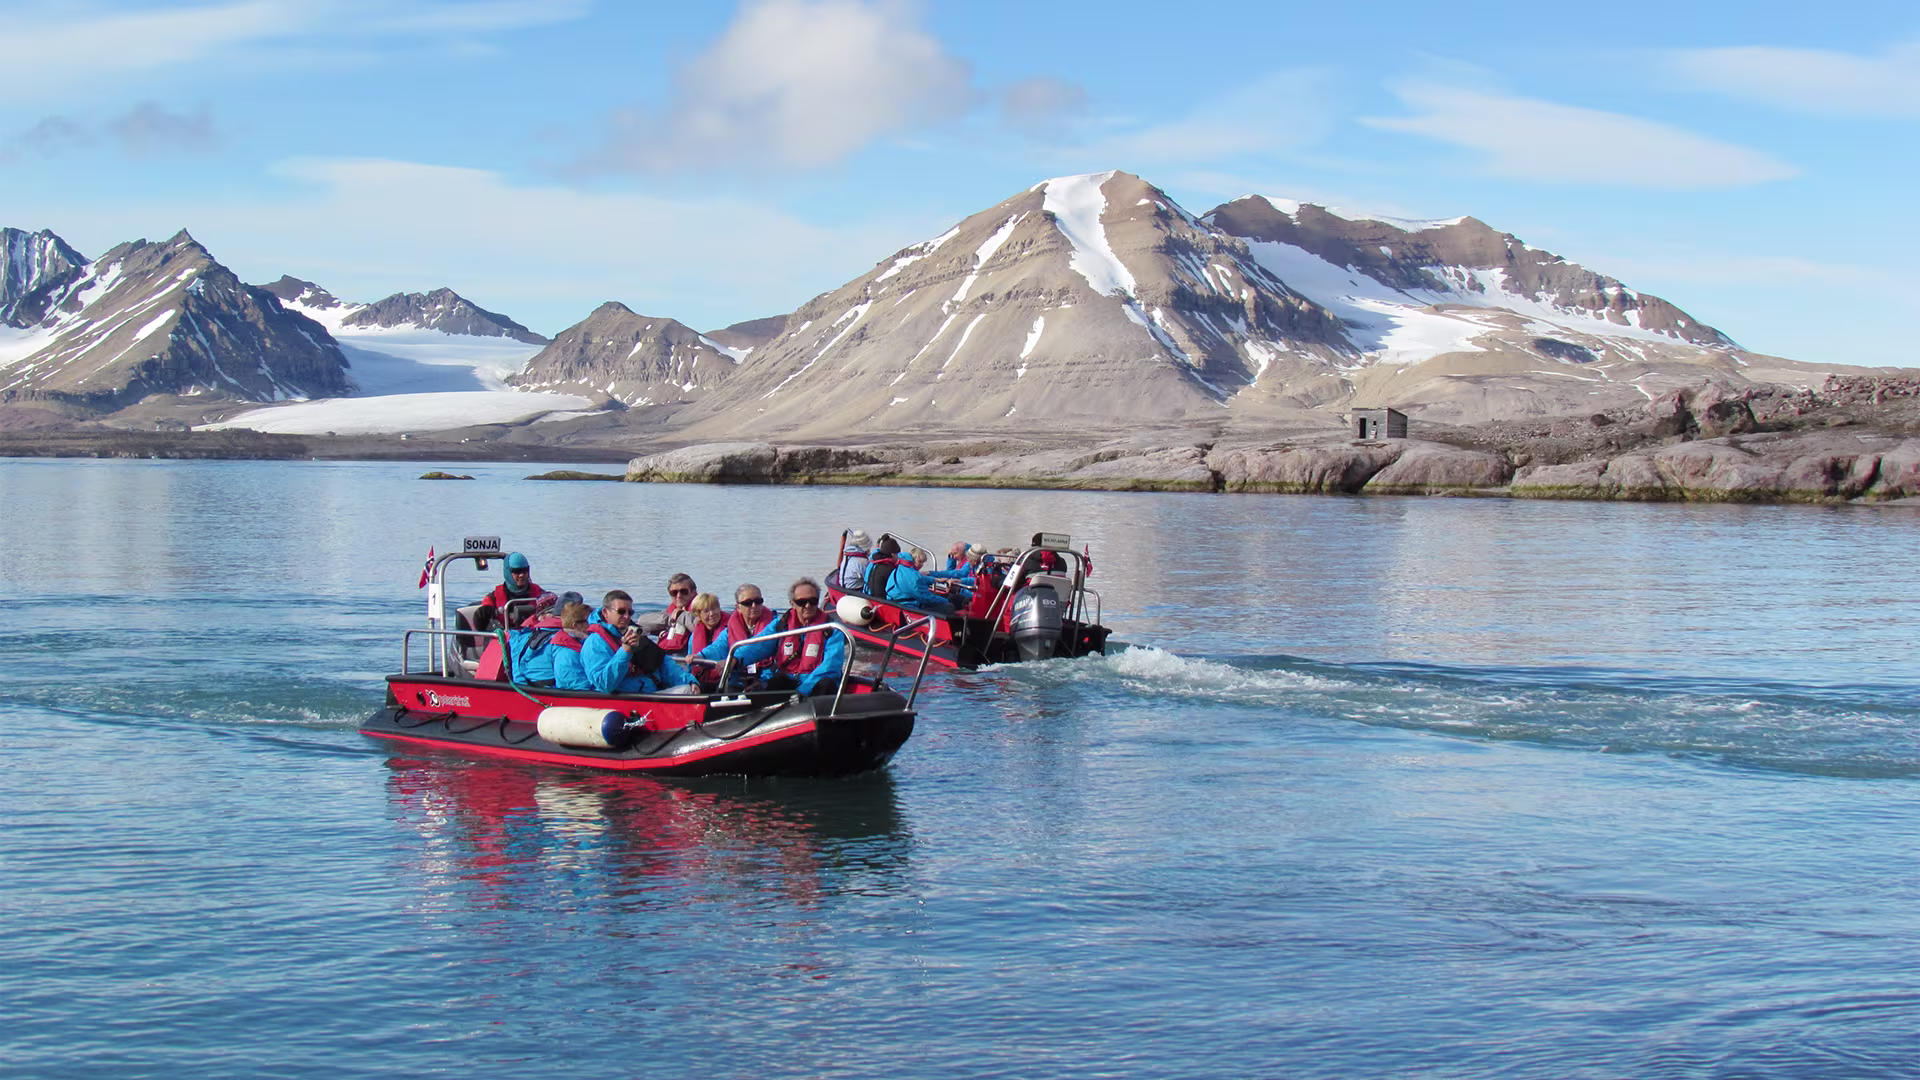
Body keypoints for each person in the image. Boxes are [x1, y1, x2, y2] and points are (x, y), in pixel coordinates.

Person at [576, 590, 698, 694]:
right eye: (621, 611)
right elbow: (605, 685)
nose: (627, 616)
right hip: (626, 701)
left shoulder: (633, 632)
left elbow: (662, 662)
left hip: (650, 692)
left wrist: (690, 681)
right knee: (685, 692)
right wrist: (625, 651)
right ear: (605, 612)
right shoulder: (595, 643)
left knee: (689, 689)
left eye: (630, 612)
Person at [689, 583, 780, 687]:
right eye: (748, 603)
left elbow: (759, 645)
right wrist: (700, 656)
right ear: (738, 607)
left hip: (766, 677)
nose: (754, 606)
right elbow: (718, 646)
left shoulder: (775, 625)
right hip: (739, 678)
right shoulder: (731, 629)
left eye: (758, 601)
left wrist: (734, 660)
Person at [475, 552, 541, 631]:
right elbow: (480, 623)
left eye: (525, 571)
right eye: (517, 571)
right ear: (508, 572)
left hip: (532, 637)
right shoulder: (493, 598)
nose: (522, 575)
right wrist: (486, 613)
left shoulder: (540, 594)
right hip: (504, 638)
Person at [547, 602, 595, 690]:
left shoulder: (581, 644)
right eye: (590, 621)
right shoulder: (567, 655)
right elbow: (580, 688)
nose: (594, 624)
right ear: (575, 626)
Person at [640, 573, 698, 640]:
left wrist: (679, 615)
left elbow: (699, 627)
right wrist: (671, 618)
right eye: (674, 593)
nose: (679, 596)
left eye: (684, 591)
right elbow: (642, 622)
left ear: (693, 592)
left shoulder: (704, 608)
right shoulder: (670, 612)